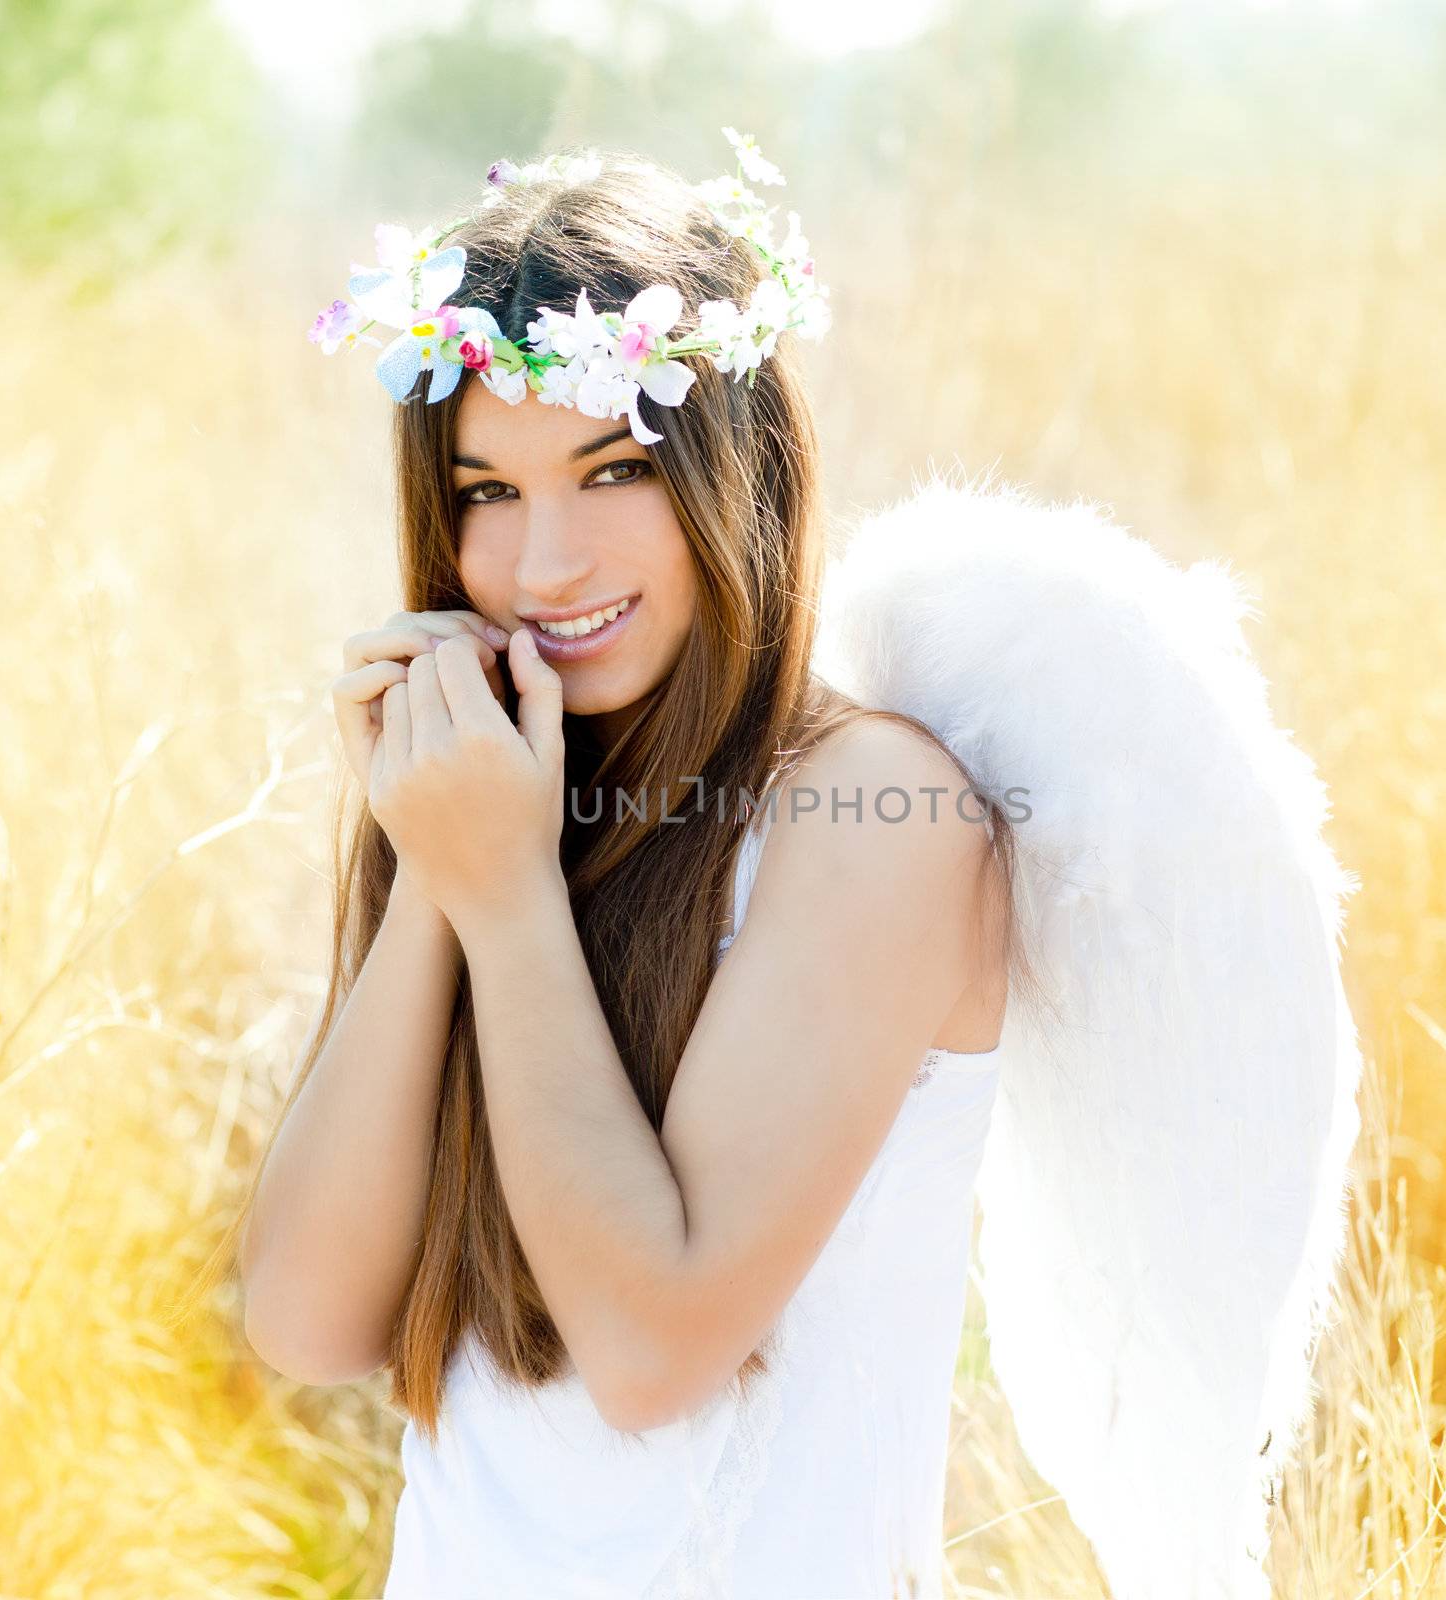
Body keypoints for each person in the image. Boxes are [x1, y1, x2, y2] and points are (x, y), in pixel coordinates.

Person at [233, 133, 1022, 1599]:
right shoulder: (500, 807)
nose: (545, 566)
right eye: (486, 493)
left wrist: (507, 898)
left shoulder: (872, 812)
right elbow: (308, 1317)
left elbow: (654, 1349)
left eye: (612, 472)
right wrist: (440, 870)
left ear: (742, 464)